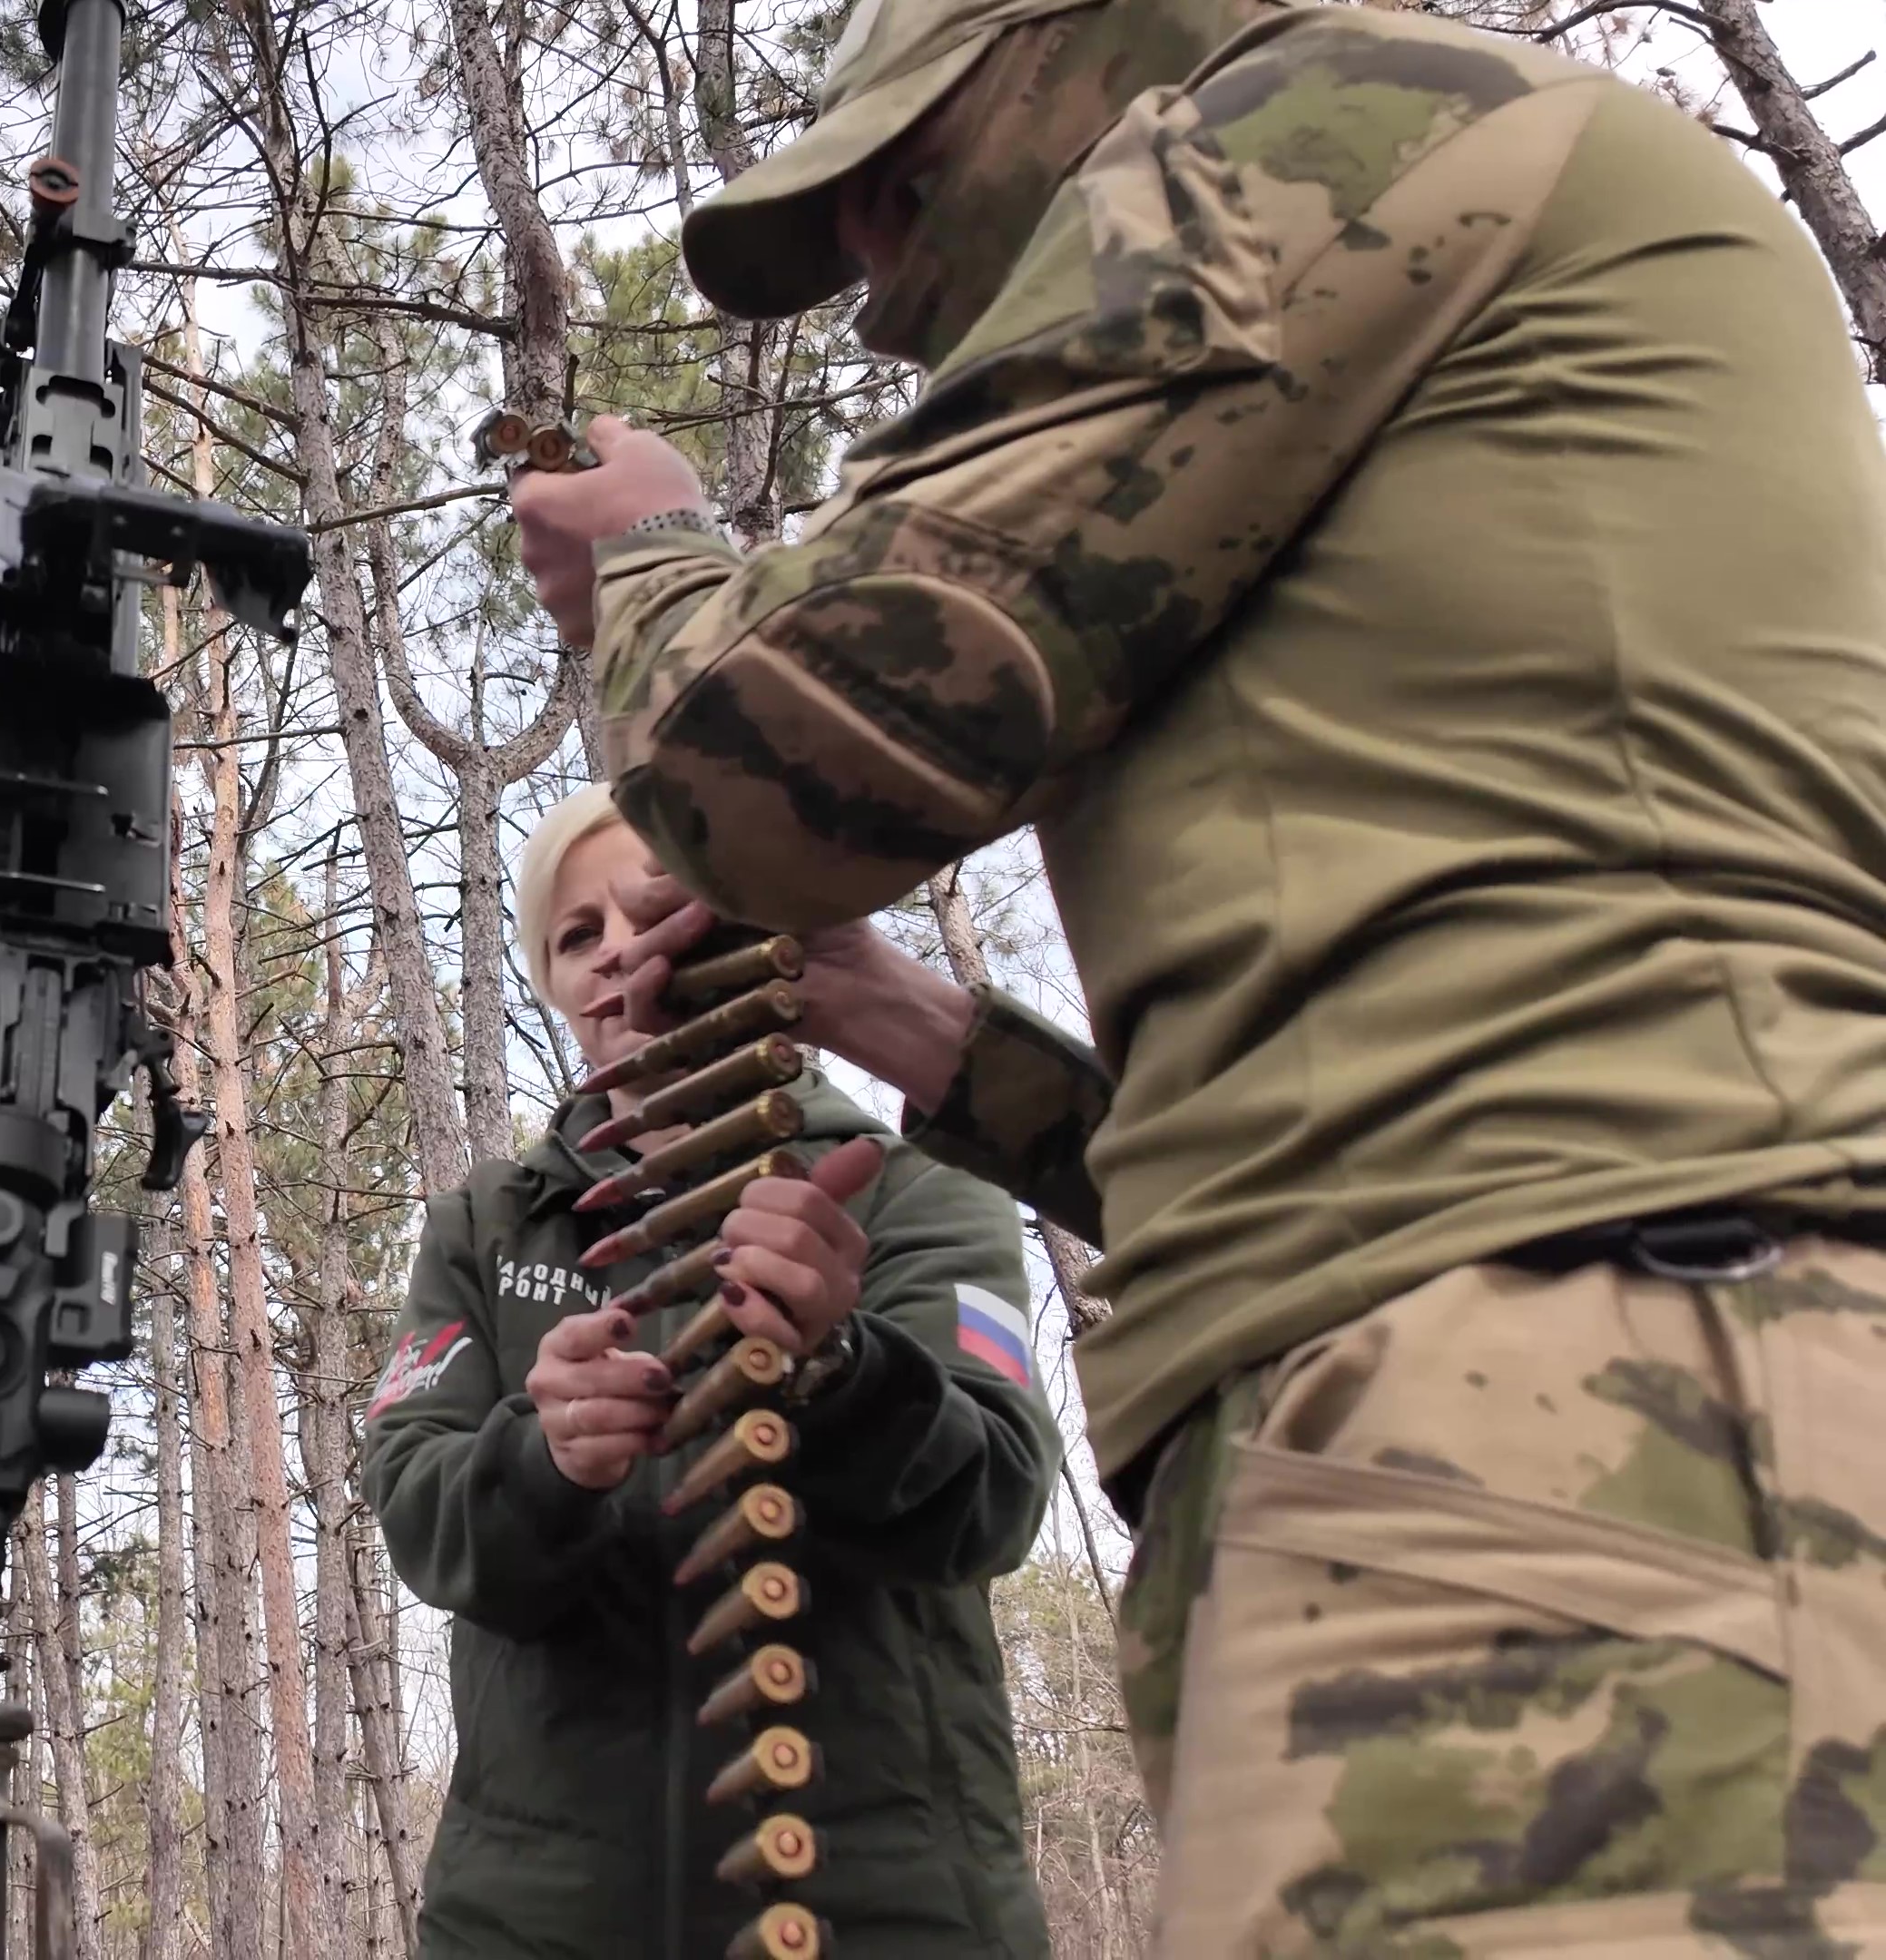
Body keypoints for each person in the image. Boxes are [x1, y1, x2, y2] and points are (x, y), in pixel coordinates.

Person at [507, 0, 1886, 1945]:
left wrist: (645, 565)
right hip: (1503, 1402)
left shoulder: (1327, 126)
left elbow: (774, 764)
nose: (884, 300)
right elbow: (1362, 1052)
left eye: (910, 188)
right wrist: (929, 1038)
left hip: (1589, 1407)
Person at [357, 785, 1060, 1960]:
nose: (621, 950)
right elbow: (419, 1508)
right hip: (540, 1925)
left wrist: (840, 1371)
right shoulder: (484, 1228)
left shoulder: (919, 1190)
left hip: (893, 1918)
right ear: (561, 995)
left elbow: (994, 1497)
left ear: (744, 937)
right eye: (578, 936)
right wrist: (545, 1458)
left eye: (656, 911)